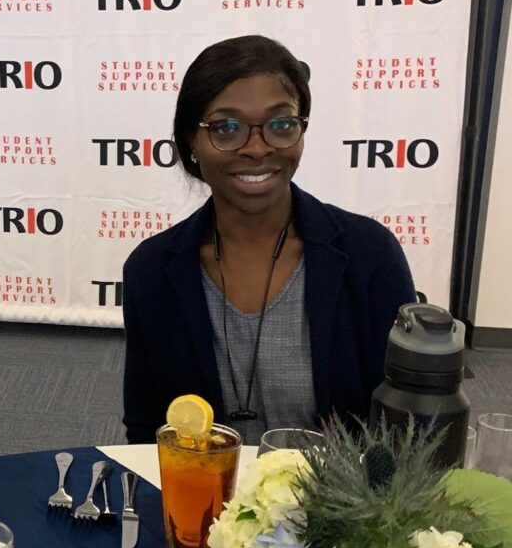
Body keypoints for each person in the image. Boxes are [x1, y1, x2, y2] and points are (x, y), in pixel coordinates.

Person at [122, 35, 416, 445]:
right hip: (205, 486)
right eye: (226, 128)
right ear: (192, 141)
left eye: (280, 125)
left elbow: (406, 425)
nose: (257, 148)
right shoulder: (151, 271)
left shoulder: (369, 255)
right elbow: (147, 431)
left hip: (339, 487)